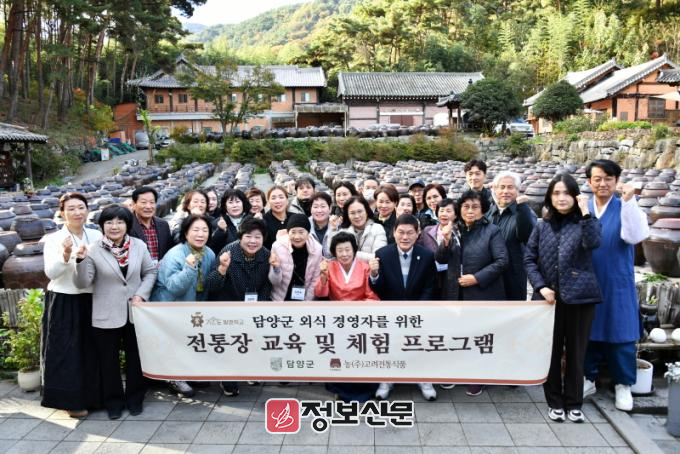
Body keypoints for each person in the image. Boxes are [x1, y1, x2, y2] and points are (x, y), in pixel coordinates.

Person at [524, 172, 602, 423]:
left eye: (567, 193)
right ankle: (555, 402)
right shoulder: (542, 225)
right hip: (549, 301)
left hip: (580, 299)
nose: (561, 198)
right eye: (556, 193)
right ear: (549, 197)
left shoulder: (586, 223)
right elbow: (529, 259)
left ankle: (574, 403)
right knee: (551, 352)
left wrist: (586, 212)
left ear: (575, 196)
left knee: (576, 353)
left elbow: (594, 242)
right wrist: (541, 286)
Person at [73, 205, 157, 420]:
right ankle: (113, 402)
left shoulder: (138, 246)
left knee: (135, 358)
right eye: (109, 222)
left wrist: (141, 295)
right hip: (106, 312)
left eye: (120, 222)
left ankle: (135, 398)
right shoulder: (93, 249)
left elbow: (150, 272)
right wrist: (80, 261)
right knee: (108, 361)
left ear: (127, 224)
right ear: (102, 225)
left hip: (134, 311)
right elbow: (82, 283)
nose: (114, 226)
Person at [583, 159, 650, 412]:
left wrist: (630, 201)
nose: (603, 183)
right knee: (587, 331)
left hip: (616, 282)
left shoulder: (625, 206)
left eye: (608, 179)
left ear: (617, 181)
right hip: (588, 281)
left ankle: (623, 384)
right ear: (589, 182)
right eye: (597, 179)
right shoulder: (584, 207)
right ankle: (587, 377)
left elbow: (636, 236)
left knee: (621, 333)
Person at [41, 193, 103, 418]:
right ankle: (70, 401)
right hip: (64, 299)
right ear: (62, 213)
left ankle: (94, 397)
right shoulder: (54, 239)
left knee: (91, 349)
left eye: (81, 207)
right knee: (66, 351)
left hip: (91, 298)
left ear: (87, 210)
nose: (77, 212)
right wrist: (66, 255)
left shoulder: (96, 235)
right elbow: (51, 273)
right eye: (71, 208)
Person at [368, 214, 437, 401]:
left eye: (410, 233)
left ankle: (424, 380)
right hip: (391, 311)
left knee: (420, 346)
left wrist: (417, 310)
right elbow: (379, 288)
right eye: (401, 232)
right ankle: (386, 381)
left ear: (417, 233)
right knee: (389, 346)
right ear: (394, 232)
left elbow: (430, 286)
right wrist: (374, 274)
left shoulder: (427, 255)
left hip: (418, 312)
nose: (405, 237)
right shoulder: (383, 254)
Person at [206, 217, 273, 397]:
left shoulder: (266, 255)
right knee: (231, 343)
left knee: (252, 341)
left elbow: (267, 285)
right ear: (240, 236)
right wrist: (222, 268)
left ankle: (249, 371)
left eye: (257, 237)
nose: (253, 241)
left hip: (253, 307)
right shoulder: (228, 252)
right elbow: (211, 284)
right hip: (228, 306)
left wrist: (259, 305)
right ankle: (228, 378)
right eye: (248, 236)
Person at [151, 214, 216, 398]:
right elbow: (174, 287)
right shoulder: (175, 254)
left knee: (189, 341)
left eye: (204, 230)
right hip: (170, 305)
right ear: (186, 233)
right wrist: (189, 269)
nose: (200, 234)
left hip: (193, 306)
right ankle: (174, 378)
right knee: (173, 342)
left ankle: (189, 374)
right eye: (195, 230)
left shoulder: (209, 253)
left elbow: (207, 285)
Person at [315, 231, 379, 401]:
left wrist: (356, 311)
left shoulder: (364, 267)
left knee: (361, 353)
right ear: (334, 252)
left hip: (360, 318)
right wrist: (323, 276)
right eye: (340, 250)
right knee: (339, 355)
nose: (344, 254)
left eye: (347, 249)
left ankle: (365, 389)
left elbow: (372, 296)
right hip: (337, 319)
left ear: (354, 250)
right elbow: (320, 293)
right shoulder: (329, 266)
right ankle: (339, 389)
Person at [456, 189, 508, 397]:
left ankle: (478, 377)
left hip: (484, 292)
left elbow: (502, 261)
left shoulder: (492, 231)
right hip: (457, 293)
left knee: (481, 336)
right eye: (466, 207)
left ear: (483, 210)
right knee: (460, 334)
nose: (470, 211)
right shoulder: (455, 229)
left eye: (475, 207)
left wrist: (477, 278)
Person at [486, 171, 537, 300]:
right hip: (489, 274)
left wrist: (523, 208)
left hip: (513, 275)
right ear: (495, 189)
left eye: (510, 187)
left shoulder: (525, 212)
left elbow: (528, 237)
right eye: (502, 187)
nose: (505, 191)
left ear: (517, 190)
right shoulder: (489, 213)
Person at [269, 214, 323, 301]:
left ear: (308, 233)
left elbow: (315, 280)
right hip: (280, 299)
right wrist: (276, 268)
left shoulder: (317, 249)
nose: (297, 237)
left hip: (304, 299)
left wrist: (306, 302)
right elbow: (274, 282)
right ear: (288, 232)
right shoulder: (277, 246)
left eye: (301, 232)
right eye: (293, 232)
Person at [418, 198, 458, 299]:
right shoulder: (427, 230)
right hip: (431, 278)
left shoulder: (459, 232)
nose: (444, 214)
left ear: (455, 215)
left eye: (448, 211)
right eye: (441, 210)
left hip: (451, 279)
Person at [130, 186, 175, 262]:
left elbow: (169, 251)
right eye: (143, 202)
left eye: (152, 202)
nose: (148, 206)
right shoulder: (127, 225)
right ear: (134, 204)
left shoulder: (163, 225)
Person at [336, 196, 387, 262]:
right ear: (347, 215)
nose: (357, 216)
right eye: (352, 213)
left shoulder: (377, 228)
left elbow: (378, 256)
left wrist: (352, 254)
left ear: (366, 212)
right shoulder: (343, 232)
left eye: (360, 211)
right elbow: (336, 255)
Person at [208, 189, 251, 256]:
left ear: (243, 203)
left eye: (237, 202)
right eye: (230, 202)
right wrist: (220, 231)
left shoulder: (252, 221)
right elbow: (212, 248)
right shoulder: (217, 223)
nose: (234, 205)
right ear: (225, 206)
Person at [263, 185, 291, 251]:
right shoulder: (263, 221)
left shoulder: (295, 218)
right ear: (268, 202)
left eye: (281, 197)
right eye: (273, 198)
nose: (278, 201)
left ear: (287, 200)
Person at [309, 192, 334, 258]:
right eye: (315, 207)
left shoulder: (337, 225)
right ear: (311, 209)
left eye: (323, 206)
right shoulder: (305, 225)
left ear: (330, 208)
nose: (319, 210)